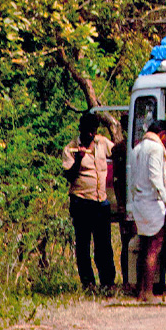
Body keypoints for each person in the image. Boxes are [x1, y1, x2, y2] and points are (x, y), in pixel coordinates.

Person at [62, 113, 117, 293]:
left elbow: (117, 152)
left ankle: (108, 282)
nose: (91, 136)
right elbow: (69, 176)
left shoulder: (102, 143)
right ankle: (88, 284)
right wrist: (79, 158)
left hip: (101, 202)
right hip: (82, 202)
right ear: (81, 130)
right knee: (84, 245)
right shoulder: (71, 148)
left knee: (104, 245)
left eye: (94, 132)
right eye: (88, 132)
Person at [128, 117, 166, 302]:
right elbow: (156, 178)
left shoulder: (137, 148)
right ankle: (148, 292)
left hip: (140, 203)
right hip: (152, 203)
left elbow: (132, 180)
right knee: (154, 248)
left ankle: (141, 292)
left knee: (145, 246)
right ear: (162, 135)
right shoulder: (155, 148)